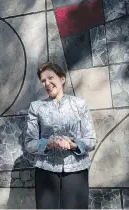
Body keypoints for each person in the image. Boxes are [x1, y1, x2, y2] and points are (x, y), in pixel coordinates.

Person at [24, 62, 96, 209]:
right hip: (46, 170)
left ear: (62, 79)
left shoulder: (79, 104)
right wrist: (49, 143)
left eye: (50, 77)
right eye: (43, 81)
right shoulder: (36, 107)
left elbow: (91, 140)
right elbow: (30, 144)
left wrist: (73, 144)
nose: (47, 83)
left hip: (76, 170)